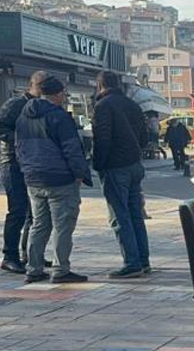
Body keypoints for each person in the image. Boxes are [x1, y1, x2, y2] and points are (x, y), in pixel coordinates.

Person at [15, 75, 92, 284]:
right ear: (56, 94)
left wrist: (27, 170)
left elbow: (18, 148)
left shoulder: (23, 117)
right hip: (60, 179)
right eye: (63, 94)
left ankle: (34, 268)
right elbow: (72, 149)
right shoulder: (59, 117)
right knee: (63, 225)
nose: (64, 97)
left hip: (33, 178)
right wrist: (80, 174)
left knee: (39, 224)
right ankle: (61, 269)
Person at [92, 70, 151, 278]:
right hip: (134, 164)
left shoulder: (103, 106)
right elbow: (145, 138)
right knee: (135, 214)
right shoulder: (132, 105)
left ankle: (132, 263)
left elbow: (102, 139)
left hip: (115, 166)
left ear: (100, 85)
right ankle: (143, 260)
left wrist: (98, 164)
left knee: (119, 215)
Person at [0, 72, 51, 274]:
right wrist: (21, 139)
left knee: (35, 212)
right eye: (41, 86)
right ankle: (9, 256)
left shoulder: (43, 106)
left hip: (33, 163)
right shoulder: (16, 104)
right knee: (18, 210)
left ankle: (30, 253)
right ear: (32, 85)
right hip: (13, 162)